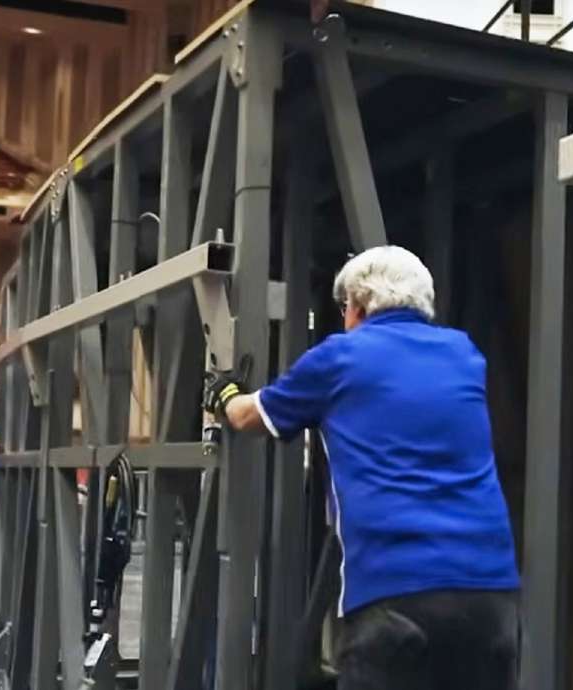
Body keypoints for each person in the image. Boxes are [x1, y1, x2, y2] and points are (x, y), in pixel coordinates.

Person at [205, 246, 520, 690]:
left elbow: (247, 418)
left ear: (358, 304)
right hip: (490, 600)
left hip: (394, 595)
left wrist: (224, 392)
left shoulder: (340, 358)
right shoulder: (463, 354)